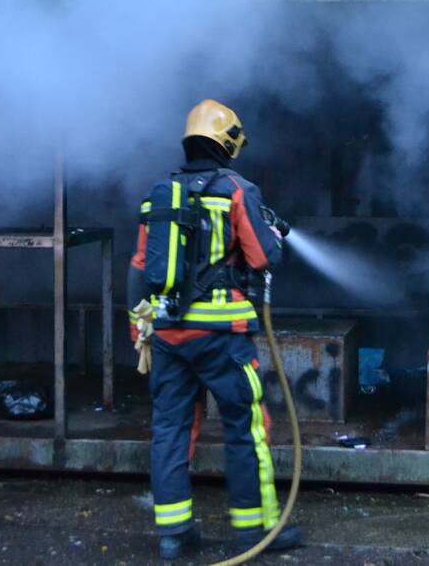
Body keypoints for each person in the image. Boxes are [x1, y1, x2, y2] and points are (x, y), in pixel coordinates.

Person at [127, 99, 301, 561]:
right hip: (222, 339)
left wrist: (139, 329)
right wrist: (272, 236)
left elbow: (139, 267)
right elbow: (262, 257)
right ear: (227, 143)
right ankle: (254, 530)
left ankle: (173, 535)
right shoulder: (237, 191)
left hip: (166, 337)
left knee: (171, 428)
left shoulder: (158, 195)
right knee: (247, 427)